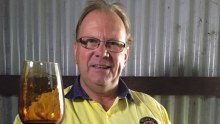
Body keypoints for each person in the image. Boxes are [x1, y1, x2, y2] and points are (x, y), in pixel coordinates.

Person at [14, 0, 171, 123]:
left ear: (125, 55)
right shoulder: (39, 111)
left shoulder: (154, 110)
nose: (102, 53)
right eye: (90, 41)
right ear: (76, 52)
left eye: (113, 43)